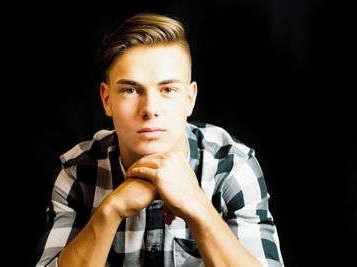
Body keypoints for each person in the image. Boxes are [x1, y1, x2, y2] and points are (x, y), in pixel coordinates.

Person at [34, 12, 284, 267]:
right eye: (130, 90)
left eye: (167, 90)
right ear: (107, 99)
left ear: (190, 98)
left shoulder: (232, 167)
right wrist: (110, 211)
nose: (150, 108)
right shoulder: (76, 172)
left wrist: (197, 207)